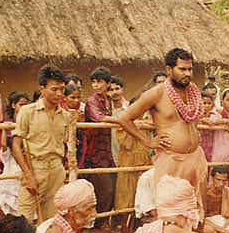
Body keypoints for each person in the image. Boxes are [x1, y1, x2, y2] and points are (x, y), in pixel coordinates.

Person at [115, 48, 209, 215]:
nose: (187, 73)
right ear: (169, 70)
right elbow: (124, 118)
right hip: (171, 159)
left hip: (196, 157)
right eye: (182, 69)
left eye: (190, 69)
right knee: (170, 211)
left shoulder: (194, 92)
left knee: (197, 210)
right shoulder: (156, 94)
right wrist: (147, 141)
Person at [12, 65, 73, 222]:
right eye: (54, 89)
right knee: (24, 219)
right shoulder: (27, 112)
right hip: (34, 168)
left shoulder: (65, 116)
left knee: (50, 220)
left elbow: (66, 145)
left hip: (56, 170)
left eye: (62, 89)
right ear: (42, 88)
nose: (59, 94)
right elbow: (16, 146)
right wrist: (28, 175)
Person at [112, 79, 151, 223]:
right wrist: (132, 127)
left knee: (141, 196)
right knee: (125, 197)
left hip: (143, 164)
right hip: (128, 164)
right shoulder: (122, 125)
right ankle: (123, 226)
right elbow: (127, 145)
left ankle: (135, 226)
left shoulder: (147, 123)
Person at [0, 91, 30, 220]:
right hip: (11, 161)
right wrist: (4, 129)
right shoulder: (8, 123)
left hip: (26, 161)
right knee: (5, 203)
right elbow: (4, 145)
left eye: (25, 105)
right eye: (21, 104)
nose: (23, 108)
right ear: (13, 105)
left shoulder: (28, 121)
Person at [82, 67, 115, 217]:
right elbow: (100, 118)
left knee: (111, 186)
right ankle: (97, 222)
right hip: (96, 150)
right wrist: (122, 120)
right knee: (104, 188)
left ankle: (102, 220)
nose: (96, 85)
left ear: (107, 83)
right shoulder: (92, 101)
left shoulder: (110, 100)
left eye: (99, 82)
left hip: (110, 149)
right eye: (93, 82)